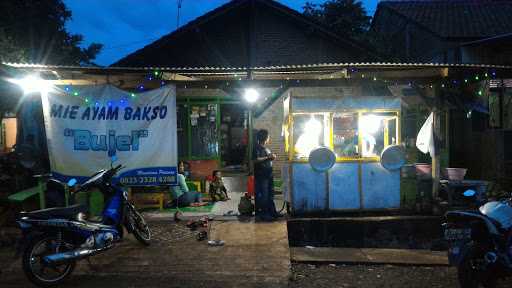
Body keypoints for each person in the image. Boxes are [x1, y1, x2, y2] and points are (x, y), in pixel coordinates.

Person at [252, 129, 281, 221]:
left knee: (270, 195)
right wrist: (268, 157)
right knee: (264, 196)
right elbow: (255, 160)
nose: (269, 138)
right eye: (268, 136)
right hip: (262, 176)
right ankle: (264, 214)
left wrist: (271, 157)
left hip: (268, 175)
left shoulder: (266, 148)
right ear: (265, 137)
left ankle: (272, 212)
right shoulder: (256, 148)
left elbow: (267, 159)